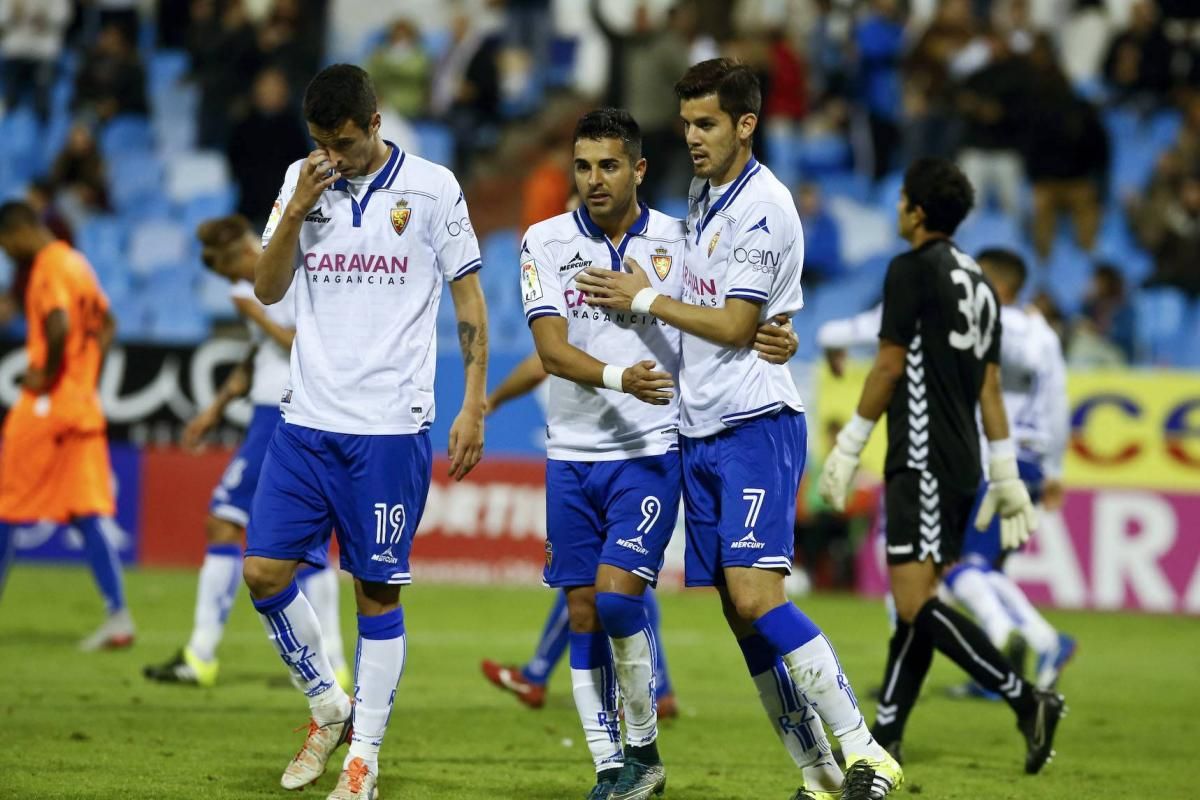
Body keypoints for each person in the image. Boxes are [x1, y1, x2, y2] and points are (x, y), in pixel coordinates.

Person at [576, 59, 901, 800]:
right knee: (740, 615)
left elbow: (734, 323)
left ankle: (865, 749)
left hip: (754, 422)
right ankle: (818, 774)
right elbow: (738, 310)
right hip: (701, 429)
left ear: (746, 124)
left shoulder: (764, 207)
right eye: (687, 123)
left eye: (707, 123)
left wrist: (646, 296)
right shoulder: (703, 194)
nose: (692, 137)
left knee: (758, 597)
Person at [244, 64, 488, 800]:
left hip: (387, 429)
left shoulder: (435, 188)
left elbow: (469, 298)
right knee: (263, 574)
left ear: (376, 121)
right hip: (305, 420)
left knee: (375, 594)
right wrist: (294, 211)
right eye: (321, 142)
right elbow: (266, 288)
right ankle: (328, 704)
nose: (334, 156)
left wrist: (473, 402)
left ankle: (364, 758)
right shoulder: (302, 178)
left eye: (344, 142)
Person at [816, 158, 1065, 775]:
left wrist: (849, 445)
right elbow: (990, 386)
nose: (897, 209)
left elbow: (888, 365)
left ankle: (1025, 697)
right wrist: (1003, 470)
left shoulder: (911, 271)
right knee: (918, 602)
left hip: (921, 458)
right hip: (963, 463)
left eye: (902, 200)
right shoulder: (980, 282)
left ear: (918, 211)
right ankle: (888, 733)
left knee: (915, 604)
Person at [143, 214, 348, 690]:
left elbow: (302, 343)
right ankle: (332, 663)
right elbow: (258, 355)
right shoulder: (258, 283)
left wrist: (253, 310)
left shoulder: (281, 276)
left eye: (225, 271)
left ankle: (200, 657)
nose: (228, 283)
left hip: (282, 413)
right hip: (274, 410)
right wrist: (214, 408)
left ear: (237, 254)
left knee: (224, 519)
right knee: (307, 547)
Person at [480, 354, 679, 719]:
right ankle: (655, 689)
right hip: (614, 457)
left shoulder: (612, 311)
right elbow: (548, 356)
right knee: (601, 582)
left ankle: (542, 675)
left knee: (610, 583)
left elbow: (545, 360)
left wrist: (493, 401)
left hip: (632, 457)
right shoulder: (590, 313)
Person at [0, 201, 133, 651]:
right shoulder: (77, 262)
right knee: (85, 512)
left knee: (6, 505)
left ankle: (117, 619)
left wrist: (48, 375)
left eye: (4, 244)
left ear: (18, 232)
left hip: (47, 406)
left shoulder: (47, 267)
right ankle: (118, 619)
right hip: (81, 407)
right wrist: (85, 378)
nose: (7, 253)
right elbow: (108, 324)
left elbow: (57, 327)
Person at [942, 248, 1076, 694]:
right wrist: (1054, 469)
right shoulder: (1043, 333)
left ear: (996, 286)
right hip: (1032, 462)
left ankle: (1047, 640)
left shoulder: (1001, 328)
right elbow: (1057, 405)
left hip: (1000, 462)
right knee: (990, 570)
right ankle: (995, 676)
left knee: (964, 567)